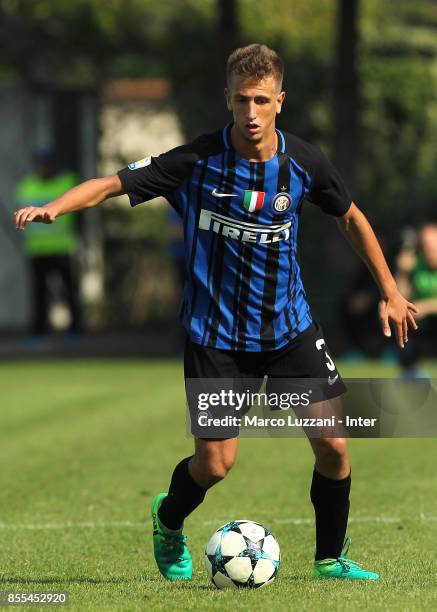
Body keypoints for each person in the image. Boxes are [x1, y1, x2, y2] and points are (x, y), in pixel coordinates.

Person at [15, 44, 418, 581]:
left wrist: (390, 289)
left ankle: (330, 560)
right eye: (240, 101)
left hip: (290, 327)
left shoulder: (303, 162)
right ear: (226, 99)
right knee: (215, 466)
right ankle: (167, 518)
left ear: (280, 100)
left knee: (335, 447)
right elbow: (113, 184)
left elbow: (350, 218)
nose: (250, 113)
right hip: (217, 338)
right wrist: (55, 207)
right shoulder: (195, 162)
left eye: (260, 100)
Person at [15, 149, 81, 337]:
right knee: (39, 294)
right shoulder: (27, 185)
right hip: (37, 249)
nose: (43, 168)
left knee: (68, 291)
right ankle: (39, 330)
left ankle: (76, 329)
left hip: (62, 247)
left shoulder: (66, 182)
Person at [395, 223, 437, 376]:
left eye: (433, 245)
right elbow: (399, 298)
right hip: (422, 320)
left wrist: (424, 306)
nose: (429, 250)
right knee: (402, 319)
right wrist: (402, 273)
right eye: (426, 245)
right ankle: (410, 371)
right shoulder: (417, 264)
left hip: (427, 313)